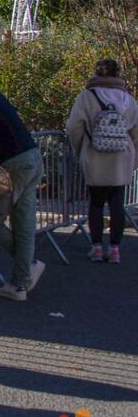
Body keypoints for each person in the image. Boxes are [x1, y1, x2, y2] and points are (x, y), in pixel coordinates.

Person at [0, 54, 46, 300]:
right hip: (31, 156)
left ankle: (26, 271)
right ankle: (21, 281)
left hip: (12, 163)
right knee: (24, 223)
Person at [66, 59, 138, 264]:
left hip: (94, 154)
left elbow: (73, 127)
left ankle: (96, 247)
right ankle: (115, 249)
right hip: (121, 157)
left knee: (95, 203)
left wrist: (80, 148)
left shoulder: (86, 97)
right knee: (117, 203)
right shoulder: (128, 99)